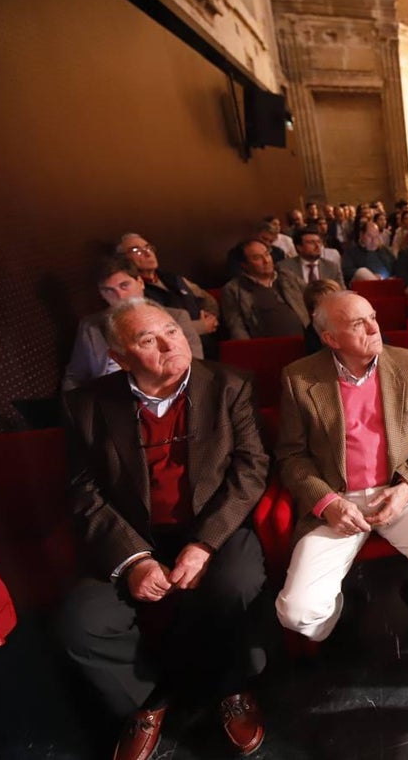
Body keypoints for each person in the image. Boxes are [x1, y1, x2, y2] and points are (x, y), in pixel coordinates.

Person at [58, 299, 269, 760]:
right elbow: (84, 493)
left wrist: (205, 543)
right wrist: (133, 559)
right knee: (82, 622)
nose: (169, 343)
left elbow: (251, 471)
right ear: (120, 356)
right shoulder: (88, 405)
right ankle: (147, 701)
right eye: (147, 340)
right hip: (134, 536)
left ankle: (230, 689)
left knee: (233, 584)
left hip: (214, 526)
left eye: (171, 330)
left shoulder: (229, 384)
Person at [274, 292, 408, 648]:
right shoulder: (299, 379)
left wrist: (406, 487)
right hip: (337, 501)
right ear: (330, 338)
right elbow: (291, 456)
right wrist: (328, 503)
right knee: (296, 612)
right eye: (358, 323)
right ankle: (341, 611)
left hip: (398, 493)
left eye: (373, 316)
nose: (374, 327)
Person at [63, 256, 203, 392]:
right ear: (101, 294)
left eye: (124, 286)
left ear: (140, 283)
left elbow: (196, 367)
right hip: (106, 397)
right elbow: (75, 376)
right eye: (109, 290)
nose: (120, 296)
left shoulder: (176, 317)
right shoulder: (90, 326)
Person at [220, 240, 309, 339]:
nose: (266, 261)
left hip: (305, 341)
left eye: (267, 254)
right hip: (266, 347)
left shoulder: (287, 276)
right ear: (244, 264)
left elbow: (312, 299)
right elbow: (236, 327)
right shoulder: (233, 289)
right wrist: (249, 350)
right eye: (257, 258)